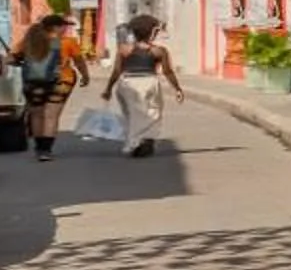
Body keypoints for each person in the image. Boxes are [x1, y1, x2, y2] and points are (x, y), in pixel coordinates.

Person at [100, 13, 183, 158]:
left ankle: (134, 140)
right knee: (153, 112)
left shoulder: (124, 50)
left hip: (126, 82)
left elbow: (117, 71)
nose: (157, 34)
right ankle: (146, 140)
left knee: (132, 113)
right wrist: (177, 88)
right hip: (149, 82)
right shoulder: (158, 51)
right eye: (155, 31)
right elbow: (168, 71)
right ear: (150, 32)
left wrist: (108, 89)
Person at [15, 13, 82, 161]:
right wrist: (85, 75)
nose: (65, 29)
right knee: (51, 115)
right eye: (63, 26)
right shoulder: (67, 42)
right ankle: (46, 150)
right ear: (55, 27)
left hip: (33, 83)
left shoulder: (29, 42)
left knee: (37, 115)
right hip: (61, 82)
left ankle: (39, 148)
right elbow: (79, 61)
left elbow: (11, 57)